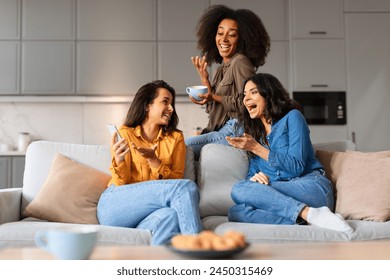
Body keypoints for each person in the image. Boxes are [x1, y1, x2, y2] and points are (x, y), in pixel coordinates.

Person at [226, 73, 353, 233]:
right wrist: (254, 178)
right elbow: (251, 177)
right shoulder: (255, 135)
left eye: (253, 92)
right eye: (245, 94)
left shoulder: (293, 117)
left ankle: (310, 213)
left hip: (311, 188)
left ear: (269, 94)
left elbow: (296, 167)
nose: (246, 99)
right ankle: (308, 217)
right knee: (236, 211)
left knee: (239, 189)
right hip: (281, 194)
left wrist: (256, 148)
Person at [97, 80, 203, 245]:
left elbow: (176, 179)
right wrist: (118, 160)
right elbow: (120, 183)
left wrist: (154, 161)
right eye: (165, 102)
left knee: (171, 216)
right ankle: (200, 250)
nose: (171, 108)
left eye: (172, 103)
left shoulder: (175, 139)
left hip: (147, 215)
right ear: (147, 105)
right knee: (186, 187)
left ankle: (155, 265)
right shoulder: (125, 133)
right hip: (115, 206)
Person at [185, 5, 271, 159]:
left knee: (181, 147)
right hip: (220, 129)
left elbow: (249, 104)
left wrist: (213, 97)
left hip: (235, 129)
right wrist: (205, 79)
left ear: (242, 39)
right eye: (220, 33)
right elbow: (213, 109)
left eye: (231, 35)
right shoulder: (222, 68)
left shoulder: (240, 62)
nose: (223, 39)